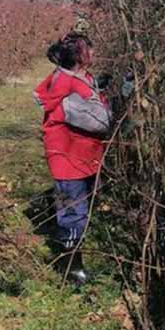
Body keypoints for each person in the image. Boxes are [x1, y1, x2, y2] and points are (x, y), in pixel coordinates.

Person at [33, 31, 112, 285]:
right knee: (72, 210)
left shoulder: (71, 75)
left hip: (79, 156)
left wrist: (98, 86)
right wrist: (118, 102)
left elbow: (85, 91)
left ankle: (71, 254)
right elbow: (100, 120)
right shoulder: (69, 87)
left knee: (78, 206)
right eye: (90, 49)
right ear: (79, 55)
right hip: (68, 159)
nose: (94, 52)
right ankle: (71, 268)